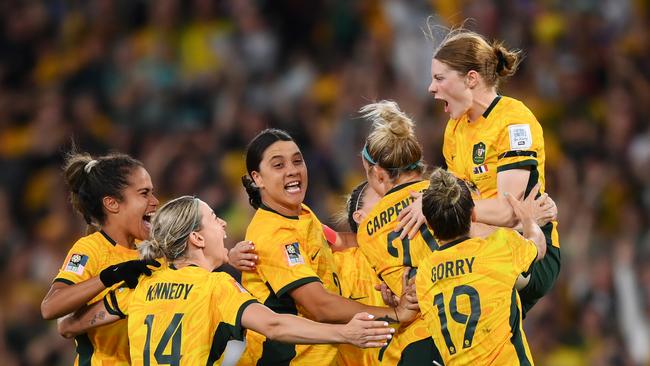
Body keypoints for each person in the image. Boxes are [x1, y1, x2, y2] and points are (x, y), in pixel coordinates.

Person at [57, 196, 395, 365]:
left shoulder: (141, 285)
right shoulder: (214, 287)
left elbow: (69, 327)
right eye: (214, 220)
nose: (222, 226)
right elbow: (275, 326)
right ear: (197, 239)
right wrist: (345, 333)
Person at [398, 28, 560, 314]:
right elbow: (458, 204)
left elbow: (510, 214)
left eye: (439, 78)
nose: (430, 88)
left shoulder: (514, 121)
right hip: (481, 241)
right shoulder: (455, 129)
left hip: (529, 251)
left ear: (470, 79)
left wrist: (438, 209)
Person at [238, 128, 419, 365]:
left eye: (297, 161)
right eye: (278, 165)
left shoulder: (301, 215)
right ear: (257, 178)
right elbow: (319, 305)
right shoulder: (273, 233)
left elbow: (343, 241)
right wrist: (394, 314)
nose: (292, 170)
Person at [415, 168, 546, 365]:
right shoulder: (498, 246)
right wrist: (528, 219)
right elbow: (539, 246)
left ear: (431, 226)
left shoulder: (424, 274)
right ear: (474, 214)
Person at [41, 152, 161, 365]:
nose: (155, 201)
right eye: (144, 193)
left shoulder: (153, 253)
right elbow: (50, 307)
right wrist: (108, 277)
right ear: (112, 203)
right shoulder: (91, 248)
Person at [356, 100, 442, 365]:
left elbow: (399, 285)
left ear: (380, 175)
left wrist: (394, 295)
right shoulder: (450, 193)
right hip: (469, 326)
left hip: (418, 343)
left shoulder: (367, 232)